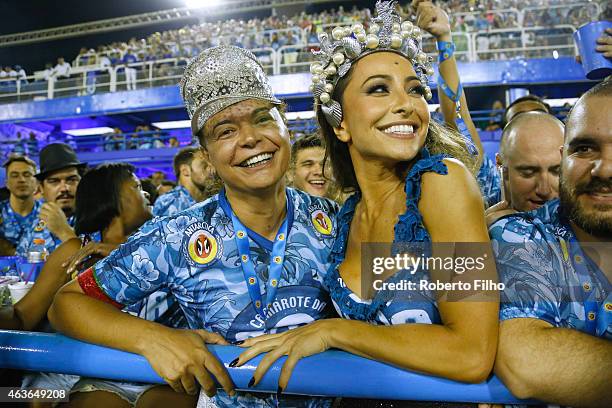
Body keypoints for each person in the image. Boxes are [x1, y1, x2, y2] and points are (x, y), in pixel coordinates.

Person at [233, 0, 498, 397]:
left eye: (414, 89)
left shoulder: (442, 183)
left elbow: (472, 353)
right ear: (340, 126)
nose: (407, 104)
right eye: (379, 89)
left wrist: (335, 331)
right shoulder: (345, 216)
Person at [49, 45, 339, 408]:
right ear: (208, 159)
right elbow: (67, 303)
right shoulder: (177, 235)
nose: (250, 138)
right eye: (225, 130)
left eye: (263, 118)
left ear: (285, 125)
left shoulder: (337, 220)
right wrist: (153, 338)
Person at [489, 76, 611, 407]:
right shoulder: (516, 233)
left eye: (552, 171)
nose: (604, 168)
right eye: (585, 148)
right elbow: (527, 362)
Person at [485, 111, 565, 226]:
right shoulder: (473, 211)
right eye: (528, 172)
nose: (544, 190)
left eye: (557, 172)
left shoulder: (587, 215)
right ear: (500, 164)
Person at [15, 144, 86, 257]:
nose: (64, 188)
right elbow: (21, 270)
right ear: (41, 188)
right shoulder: (32, 230)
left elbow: (105, 271)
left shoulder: (99, 224)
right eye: (54, 181)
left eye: (71, 180)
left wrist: (64, 232)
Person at [152, 147, 215, 217]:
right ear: (185, 170)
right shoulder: (169, 202)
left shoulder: (212, 199)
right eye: (204, 166)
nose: (212, 170)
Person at [0, 156, 41, 255]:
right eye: (14, 175)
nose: (21, 179)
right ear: (7, 183)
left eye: (27, 175)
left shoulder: (49, 214)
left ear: (36, 182)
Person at [289, 133, 331, 198]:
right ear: (290, 173)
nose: (320, 172)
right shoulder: (279, 207)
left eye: (324, 164)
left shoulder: (346, 207)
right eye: (308, 164)